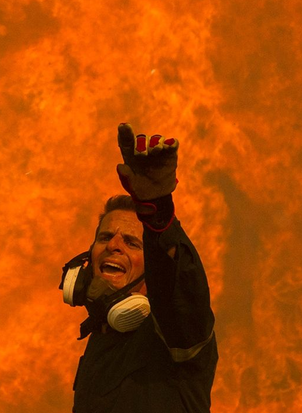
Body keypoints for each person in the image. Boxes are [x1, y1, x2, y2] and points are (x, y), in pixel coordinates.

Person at [60, 123, 217, 412]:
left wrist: (157, 211)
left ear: (152, 271)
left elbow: (179, 286)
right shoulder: (98, 345)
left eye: (132, 242)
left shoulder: (176, 333)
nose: (113, 246)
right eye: (105, 237)